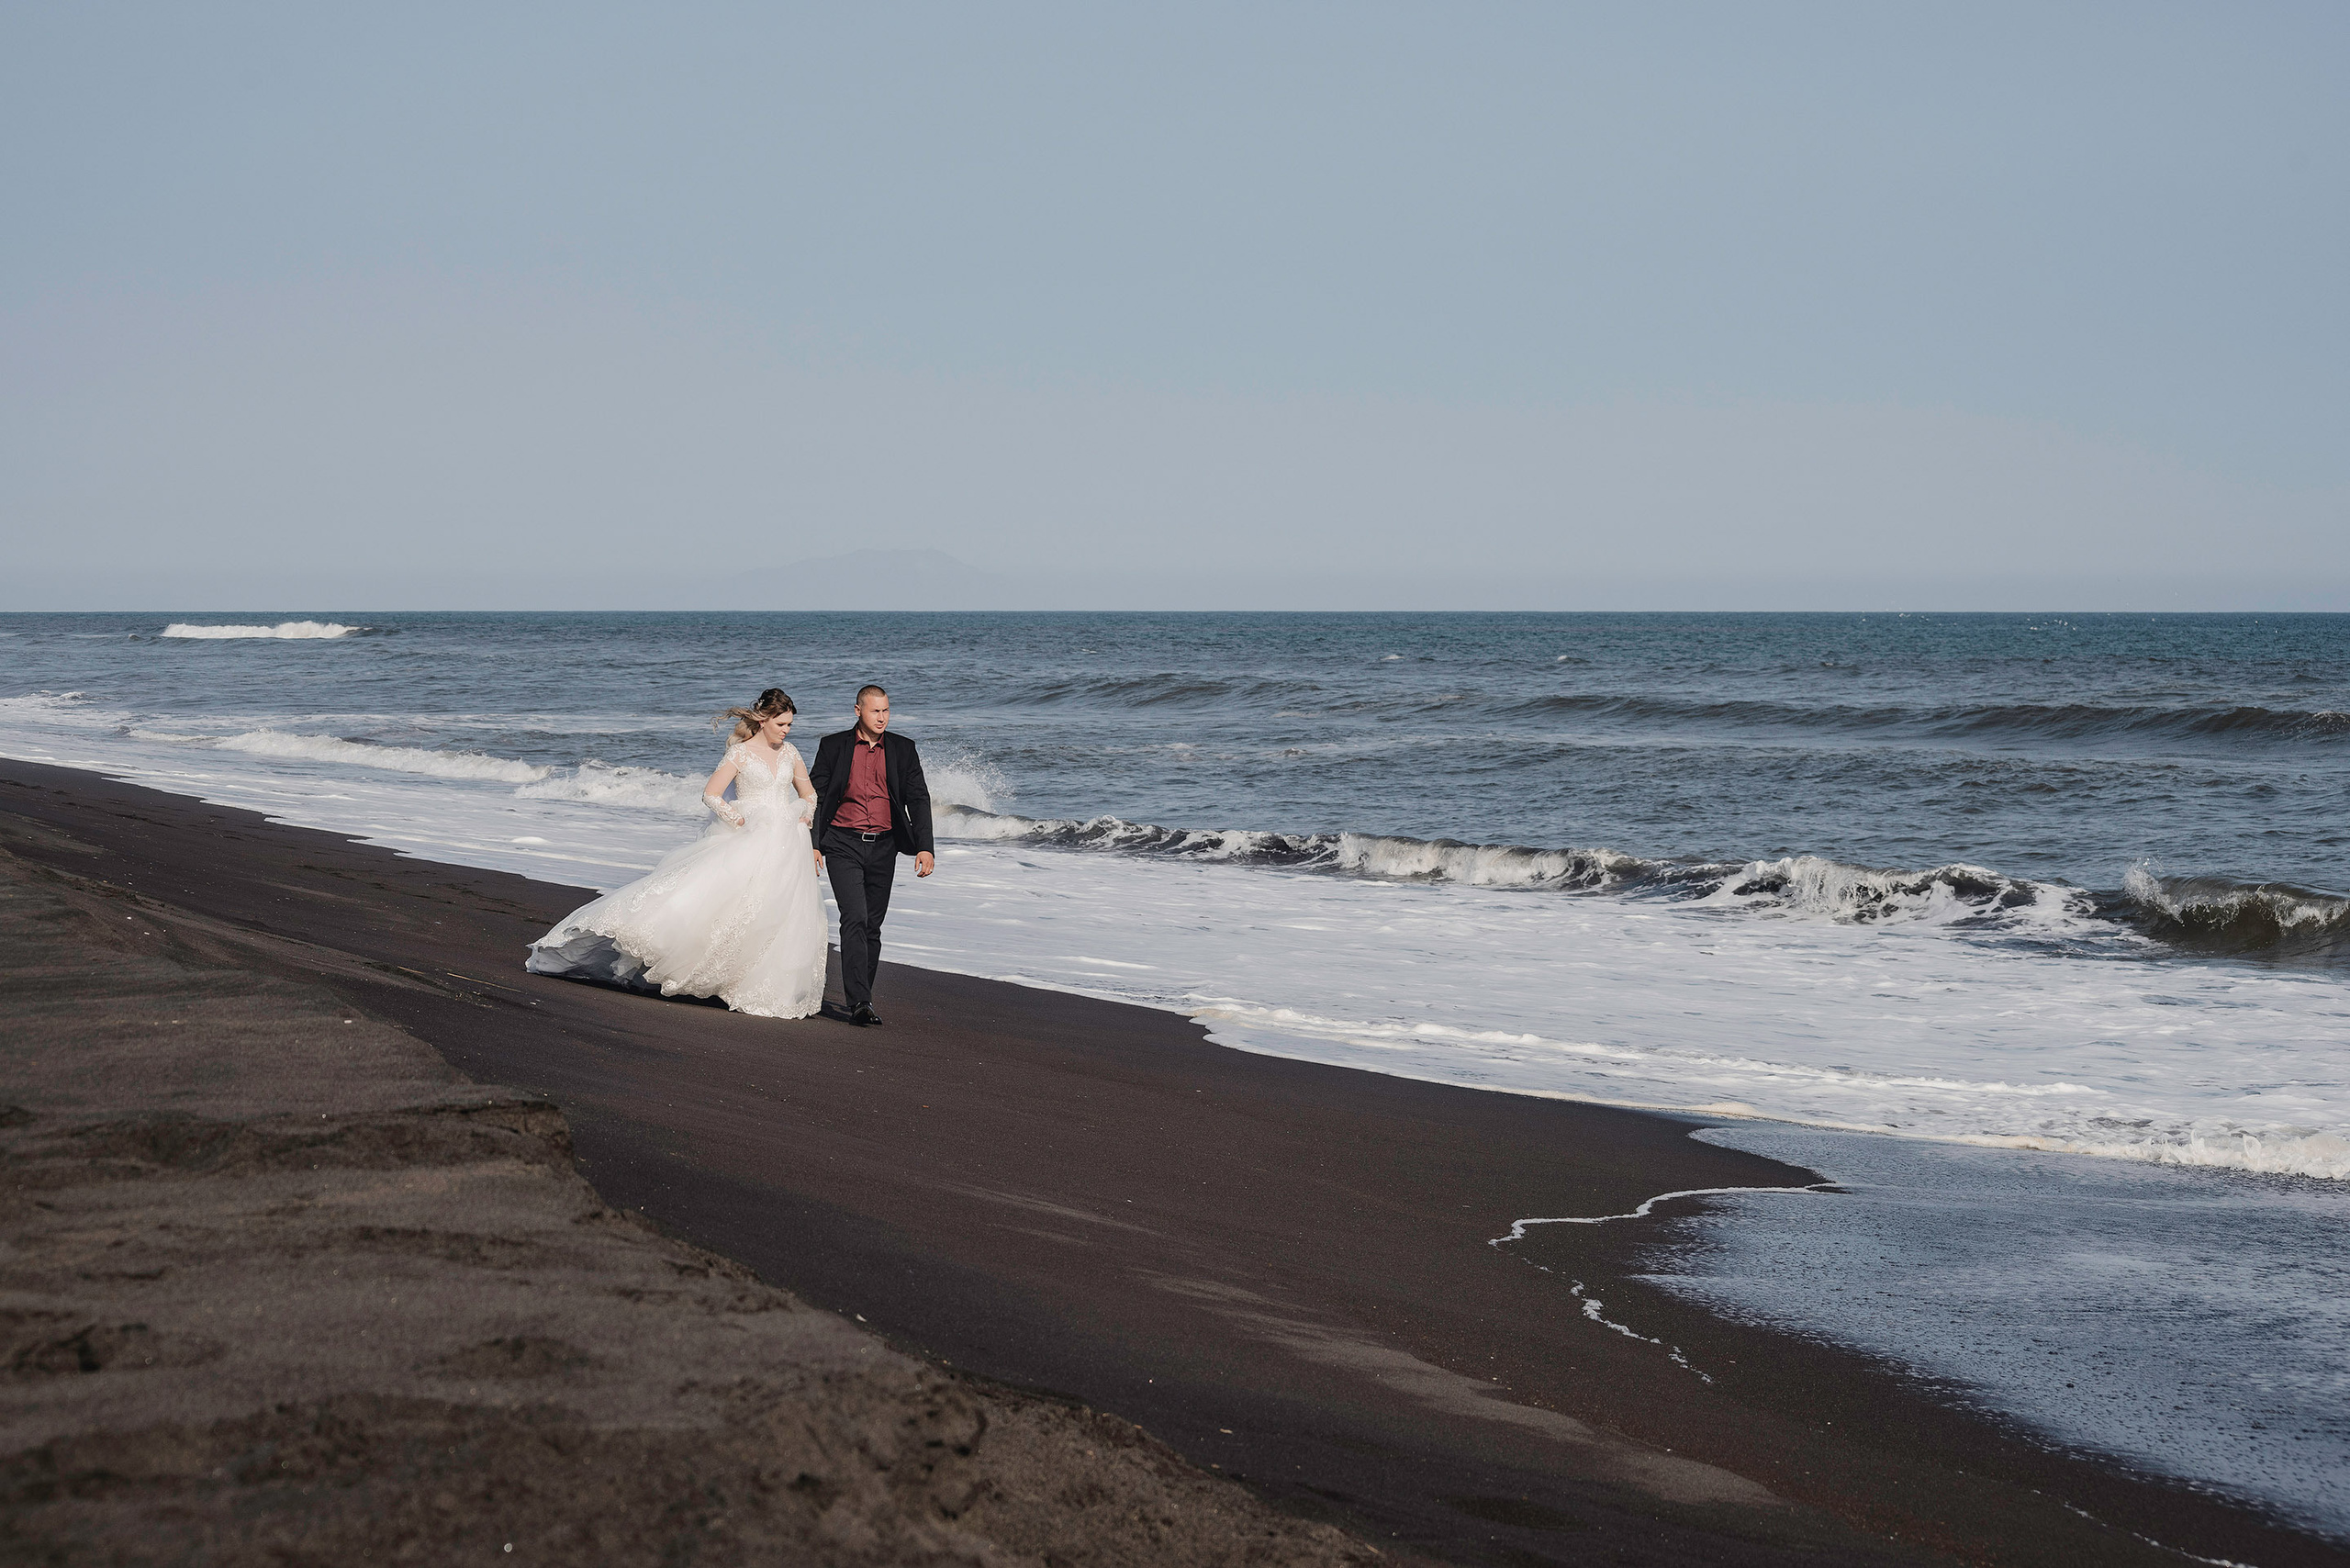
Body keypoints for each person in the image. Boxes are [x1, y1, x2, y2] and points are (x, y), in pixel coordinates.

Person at [524, 689, 828, 1018]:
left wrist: (803, 816)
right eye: (781, 723)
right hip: (749, 837)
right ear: (763, 719)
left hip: (785, 842)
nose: (786, 730)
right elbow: (711, 794)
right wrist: (738, 818)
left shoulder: (791, 753)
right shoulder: (739, 755)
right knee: (729, 907)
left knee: (776, 912)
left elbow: (809, 794)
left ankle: (751, 981)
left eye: (790, 725)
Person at [808, 684, 934, 1026]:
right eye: (876, 711)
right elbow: (815, 796)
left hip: (885, 845)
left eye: (887, 710)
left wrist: (925, 846)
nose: (882, 717)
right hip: (842, 843)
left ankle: (863, 996)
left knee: (873, 927)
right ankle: (860, 1001)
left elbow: (918, 799)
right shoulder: (833, 746)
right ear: (858, 711)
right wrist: (813, 843)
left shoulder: (903, 749)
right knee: (855, 918)